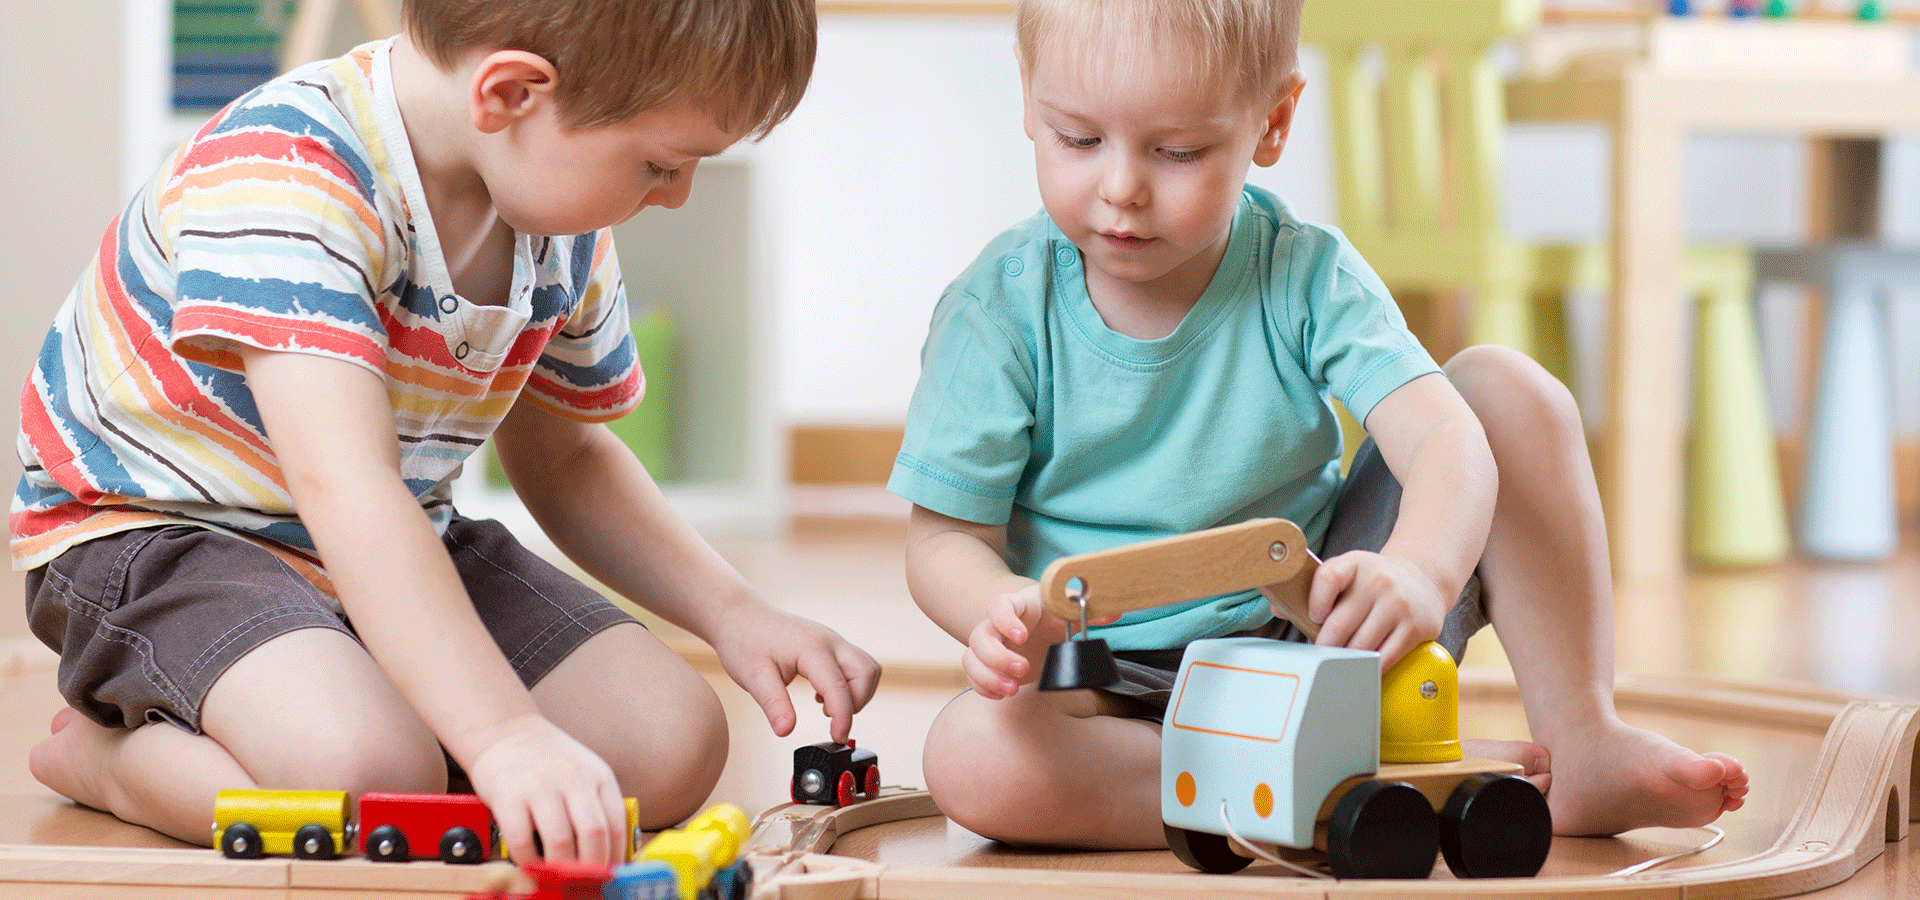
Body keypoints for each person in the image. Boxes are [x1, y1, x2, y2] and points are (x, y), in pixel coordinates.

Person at [14, 0, 878, 864]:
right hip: (162, 536)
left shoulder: (557, 217)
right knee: (369, 776)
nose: (676, 196)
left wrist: (734, 612)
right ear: (509, 94)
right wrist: (502, 735)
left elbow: (568, 457)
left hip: (397, 530)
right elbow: (343, 485)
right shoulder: (285, 170)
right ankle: (117, 765)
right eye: (659, 163)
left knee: (672, 743)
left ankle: (375, 702)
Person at [889, 0, 1748, 849]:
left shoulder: (1303, 271)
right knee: (971, 757)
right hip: (1104, 679)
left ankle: (1584, 738)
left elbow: (1449, 440)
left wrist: (1416, 573)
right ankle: (1326, 780)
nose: (1121, 187)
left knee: (1503, 391)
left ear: (1274, 121)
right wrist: (997, 607)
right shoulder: (995, 311)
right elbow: (941, 542)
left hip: (1318, 634)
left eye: (1178, 150)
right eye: (1078, 139)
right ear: (1029, 99)